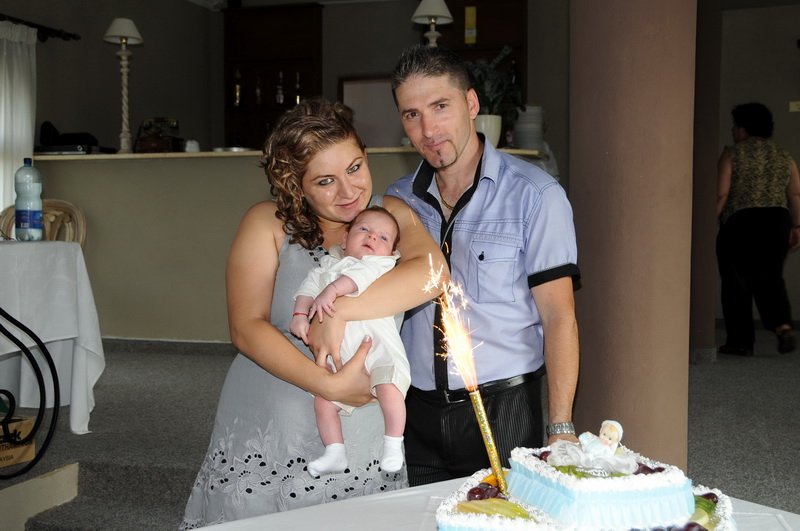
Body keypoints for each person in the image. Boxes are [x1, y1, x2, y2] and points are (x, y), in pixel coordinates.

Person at [180, 98, 446, 528]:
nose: (349, 191)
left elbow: (433, 274)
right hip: (272, 421)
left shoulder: (389, 215)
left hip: (364, 427)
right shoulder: (265, 222)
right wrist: (330, 385)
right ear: (295, 184)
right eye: (325, 181)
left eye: (355, 168)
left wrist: (338, 312)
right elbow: (245, 327)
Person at [386, 45, 581, 486]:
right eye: (412, 114)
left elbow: (559, 316)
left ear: (471, 104)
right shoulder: (397, 201)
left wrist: (561, 424)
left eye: (440, 106)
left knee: (501, 515)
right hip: (415, 409)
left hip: (503, 407)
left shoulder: (536, 195)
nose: (428, 130)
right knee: (420, 516)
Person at [290, 206, 410, 476]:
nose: (372, 237)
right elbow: (307, 289)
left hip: (378, 350)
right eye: (364, 229)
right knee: (323, 402)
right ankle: (335, 453)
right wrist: (299, 314)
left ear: (391, 252)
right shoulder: (327, 266)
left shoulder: (382, 264)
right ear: (344, 240)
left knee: (389, 389)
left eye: (383, 237)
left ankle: (393, 445)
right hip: (342, 356)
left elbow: (359, 278)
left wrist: (332, 290)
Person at [716, 102, 800, 357]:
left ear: (743, 128)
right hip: (777, 220)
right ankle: (783, 326)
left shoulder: (732, 153)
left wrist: (708, 221)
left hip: (741, 221)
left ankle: (740, 342)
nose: (732, 130)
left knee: (736, 282)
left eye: (735, 125)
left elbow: (721, 193)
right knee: (771, 277)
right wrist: (797, 226)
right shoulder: (784, 155)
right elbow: (795, 194)